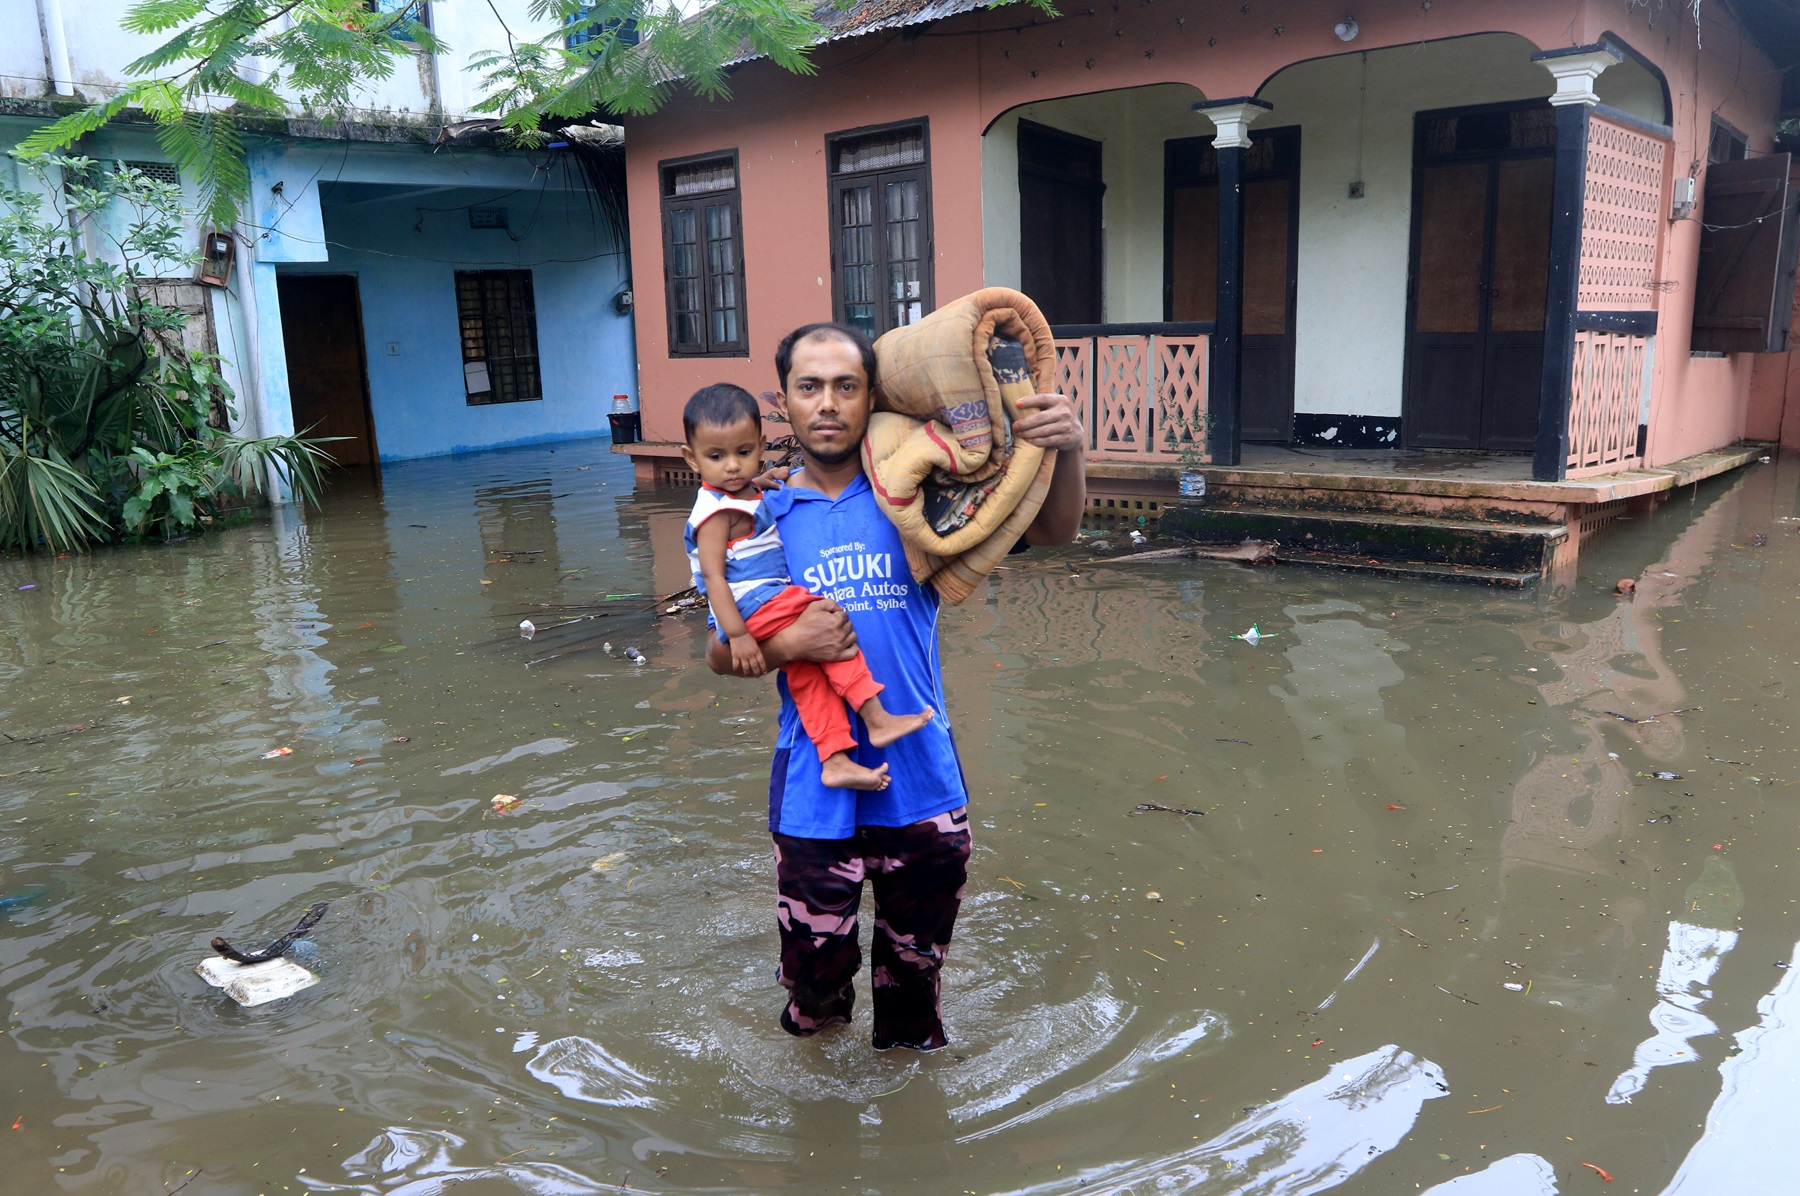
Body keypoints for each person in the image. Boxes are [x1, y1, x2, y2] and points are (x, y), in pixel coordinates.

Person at [706, 322, 1085, 1052]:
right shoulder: (762, 515)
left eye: (846, 387)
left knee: (915, 993)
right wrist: (786, 642)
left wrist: (1065, 446)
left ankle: (915, 1137)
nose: (827, 404)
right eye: (808, 387)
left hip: (923, 785)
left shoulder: (916, 495)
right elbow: (719, 653)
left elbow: (1057, 530)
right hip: (814, 792)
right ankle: (820, 1133)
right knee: (813, 992)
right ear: (783, 399)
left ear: (870, 396)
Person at [681, 382, 936, 793]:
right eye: (717, 457)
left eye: (744, 454)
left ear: (761, 446)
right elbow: (713, 578)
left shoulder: (740, 493)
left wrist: (763, 479)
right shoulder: (714, 513)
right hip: (754, 604)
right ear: (690, 459)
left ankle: (834, 759)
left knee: (808, 676)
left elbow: (745, 499)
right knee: (826, 620)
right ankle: (875, 717)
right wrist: (740, 637)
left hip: (755, 605)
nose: (732, 467)